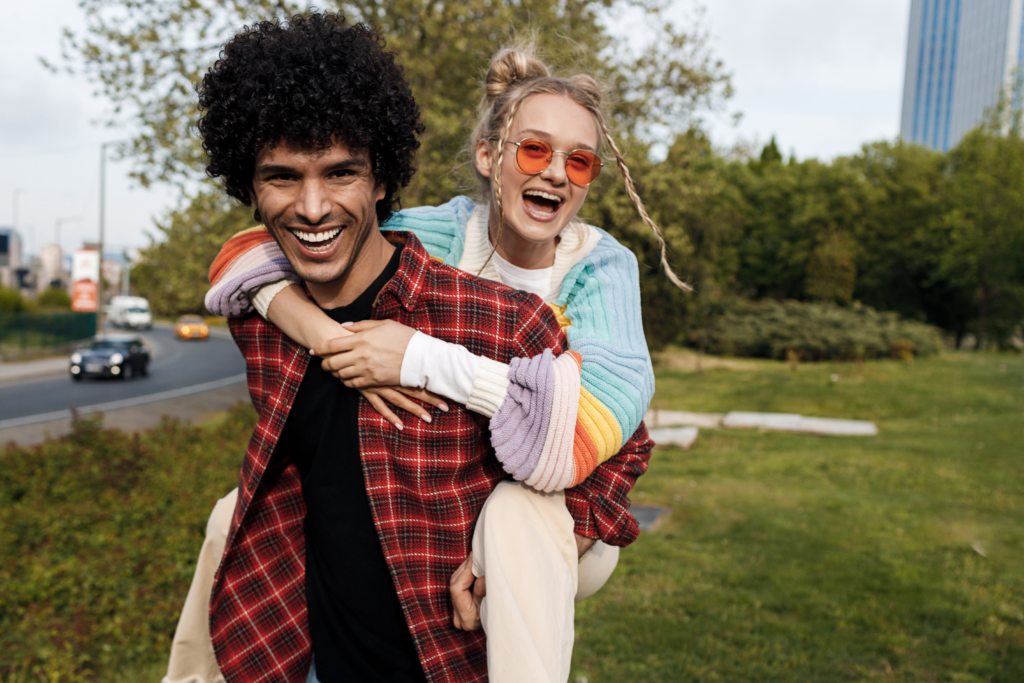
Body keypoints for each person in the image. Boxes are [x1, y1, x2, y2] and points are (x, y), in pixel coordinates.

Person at [164, 12, 653, 683]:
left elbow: (613, 426)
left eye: (580, 160)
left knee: (515, 521)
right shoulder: (415, 240)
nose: (312, 207)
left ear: (380, 176)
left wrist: (420, 358)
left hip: (541, 517)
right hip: (313, 645)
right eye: (534, 151)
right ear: (491, 157)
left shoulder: (586, 276)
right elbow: (248, 259)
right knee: (234, 511)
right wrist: (330, 337)